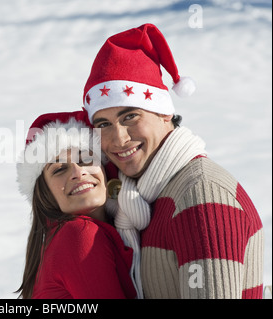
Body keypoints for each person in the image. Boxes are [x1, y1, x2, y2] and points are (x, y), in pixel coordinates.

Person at [82, 23, 264, 299]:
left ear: (165, 113)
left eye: (130, 117)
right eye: (103, 123)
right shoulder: (139, 198)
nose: (118, 139)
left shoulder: (201, 196)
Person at [15, 110, 137, 299]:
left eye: (87, 159)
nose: (78, 172)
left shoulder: (61, 237)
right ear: (44, 192)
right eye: (60, 169)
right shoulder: (78, 234)